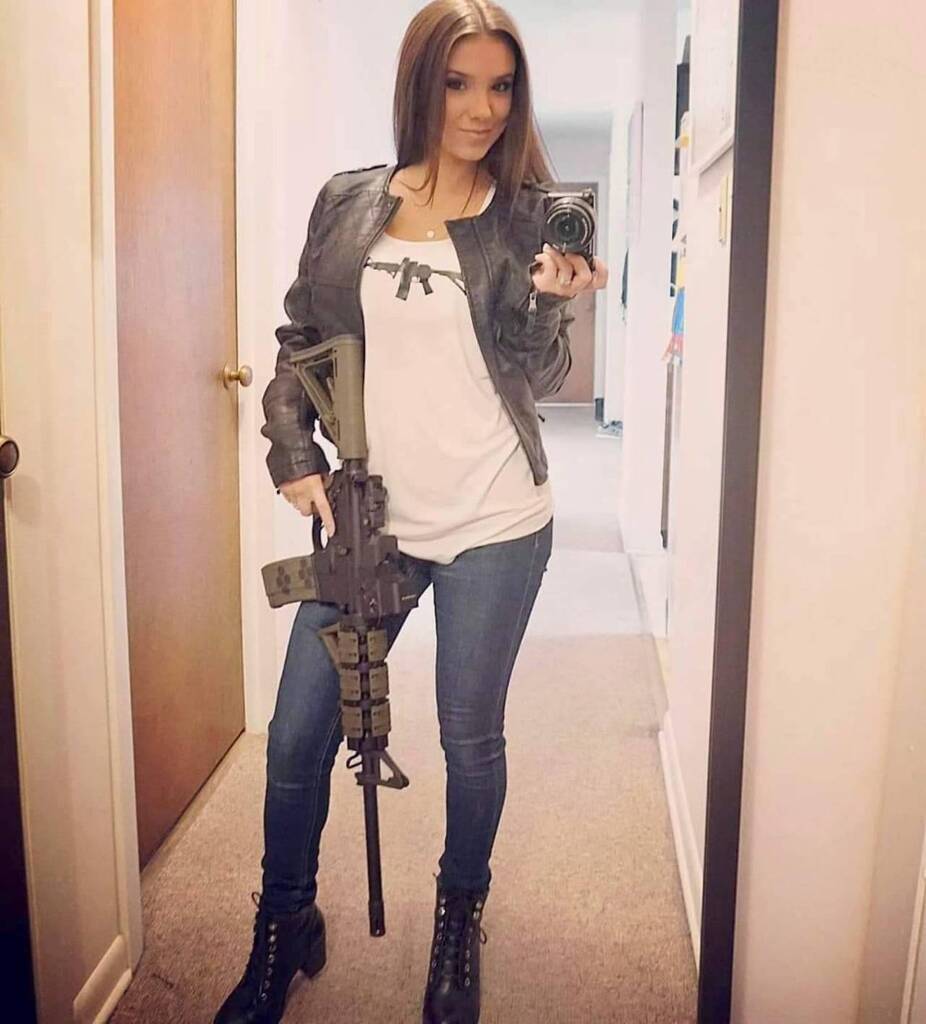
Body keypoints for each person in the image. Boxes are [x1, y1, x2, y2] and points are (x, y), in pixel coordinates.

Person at [215, 2, 608, 1022]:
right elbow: (298, 342)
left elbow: (539, 377)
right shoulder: (348, 202)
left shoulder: (527, 216)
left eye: (501, 86)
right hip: (369, 522)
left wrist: (553, 299)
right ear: (419, 84)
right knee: (295, 736)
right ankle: (284, 923)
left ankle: (457, 918)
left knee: (469, 740)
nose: (481, 109)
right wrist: (292, 454)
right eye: (458, 83)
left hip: (495, 520)